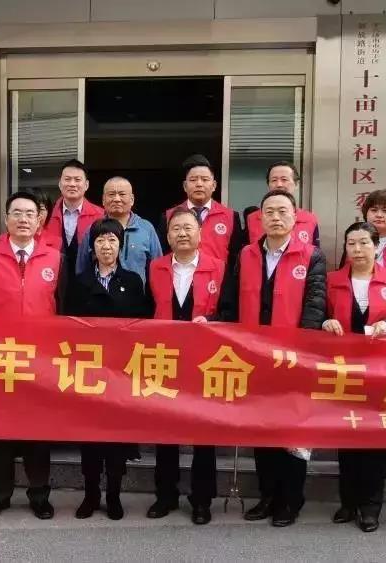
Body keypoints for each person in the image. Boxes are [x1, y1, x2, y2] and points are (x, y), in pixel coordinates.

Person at [217, 189, 327, 528]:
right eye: (270, 212)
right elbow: (231, 301)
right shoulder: (246, 254)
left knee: (293, 434)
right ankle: (267, 496)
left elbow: (315, 304)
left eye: (282, 211)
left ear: (296, 217)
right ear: (260, 218)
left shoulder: (312, 256)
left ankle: (290, 500)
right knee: (262, 430)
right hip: (254, 357)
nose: (276, 217)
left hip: (294, 359)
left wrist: (303, 351)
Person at [0, 191, 66, 521]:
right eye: (17, 213)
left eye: (29, 214)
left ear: (39, 221)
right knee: (0, 433)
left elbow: (64, 313)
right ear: (6, 218)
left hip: (41, 360)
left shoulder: (55, 258)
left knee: (38, 432)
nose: (23, 219)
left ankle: (39, 494)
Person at [323, 222, 386, 533]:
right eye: (352, 243)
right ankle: (348, 502)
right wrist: (325, 322)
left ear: (376, 246)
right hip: (344, 370)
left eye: (364, 242)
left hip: (381, 371)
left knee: (375, 441)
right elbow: (316, 315)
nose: (358, 249)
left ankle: (370, 507)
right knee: (347, 438)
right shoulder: (332, 281)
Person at [145, 209, 226, 525]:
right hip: (165, 357)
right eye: (176, 228)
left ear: (200, 233)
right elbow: (146, 309)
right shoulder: (156, 267)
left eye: (188, 228)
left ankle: (201, 500)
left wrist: (212, 321)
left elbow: (230, 310)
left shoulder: (218, 267)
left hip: (206, 360)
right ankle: (165, 495)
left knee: (204, 434)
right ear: (167, 236)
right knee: (165, 431)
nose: (182, 233)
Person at [67, 218, 149, 520]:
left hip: (120, 372)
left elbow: (142, 325)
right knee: (89, 438)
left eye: (112, 240)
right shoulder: (79, 282)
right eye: (100, 240)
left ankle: (114, 494)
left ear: (120, 245)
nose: (106, 246)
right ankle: (90, 494)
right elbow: (68, 326)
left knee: (116, 438)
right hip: (88, 371)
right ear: (92, 246)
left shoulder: (133, 281)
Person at [75, 176, 163, 285]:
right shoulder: (93, 229)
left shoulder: (146, 228)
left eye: (122, 194)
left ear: (132, 199)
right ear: (103, 200)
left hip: (137, 294)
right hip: (99, 294)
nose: (117, 199)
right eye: (111, 194)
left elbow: (158, 270)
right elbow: (81, 269)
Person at [160, 154, 243, 267]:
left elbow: (236, 258)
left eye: (205, 179)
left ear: (214, 185)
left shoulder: (231, 216)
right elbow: (163, 255)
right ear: (185, 186)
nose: (199, 184)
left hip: (218, 277)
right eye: (193, 180)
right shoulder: (169, 216)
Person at [40, 160, 105, 300]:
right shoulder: (46, 215)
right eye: (67, 179)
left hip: (89, 287)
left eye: (77, 180)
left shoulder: (100, 216)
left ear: (86, 185)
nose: (72, 184)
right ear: (60, 184)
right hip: (50, 284)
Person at [243, 161, 320, 247]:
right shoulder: (252, 219)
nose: (279, 185)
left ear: (296, 184)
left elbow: (315, 252)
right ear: (268, 185)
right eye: (274, 180)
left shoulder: (309, 219)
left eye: (284, 180)